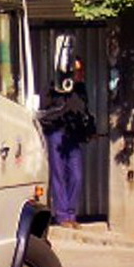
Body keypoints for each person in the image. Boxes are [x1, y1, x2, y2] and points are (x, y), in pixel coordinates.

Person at [38, 57, 96, 228]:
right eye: (76, 71)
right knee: (59, 175)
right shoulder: (55, 87)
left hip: (73, 136)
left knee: (76, 175)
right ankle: (63, 215)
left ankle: (71, 213)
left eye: (81, 71)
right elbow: (47, 109)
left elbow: (84, 111)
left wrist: (89, 130)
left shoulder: (80, 90)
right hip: (57, 133)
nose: (79, 75)